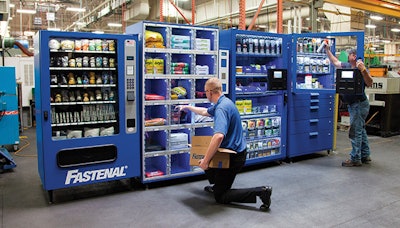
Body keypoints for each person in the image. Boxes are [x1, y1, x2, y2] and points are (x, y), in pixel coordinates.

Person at [177, 77, 272, 210]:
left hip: (233, 157)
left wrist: (205, 160)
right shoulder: (224, 102)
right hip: (233, 151)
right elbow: (205, 112)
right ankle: (218, 185)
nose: (205, 94)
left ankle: (261, 192)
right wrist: (188, 107)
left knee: (221, 196)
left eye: (205, 92)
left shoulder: (221, 109)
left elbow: (218, 136)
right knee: (206, 158)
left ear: (210, 92)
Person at [325, 45, 373, 167]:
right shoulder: (347, 67)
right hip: (353, 104)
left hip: (359, 104)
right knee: (360, 129)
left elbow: (370, 82)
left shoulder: (361, 69)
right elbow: (335, 62)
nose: (351, 56)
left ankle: (355, 158)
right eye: (351, 54)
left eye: (353, 54)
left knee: (355, 131)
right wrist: (327, 50)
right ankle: (365, 155)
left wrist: (362, 70)